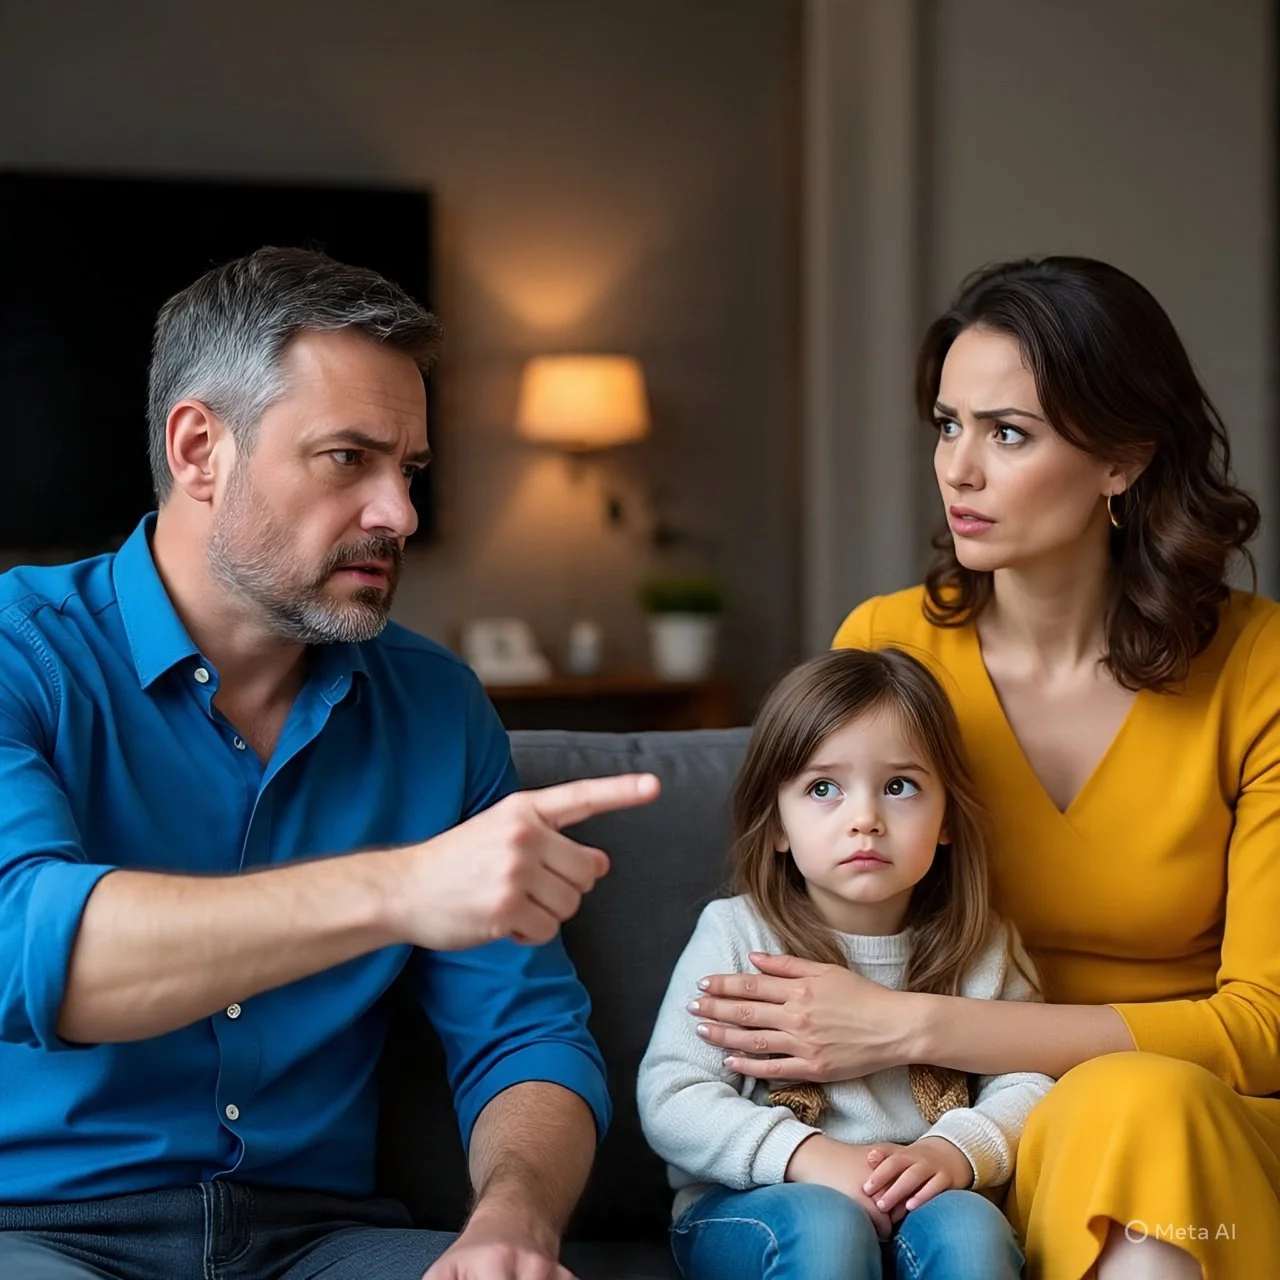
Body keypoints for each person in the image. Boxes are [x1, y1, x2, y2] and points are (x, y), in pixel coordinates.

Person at [0, 246, 661, 1280]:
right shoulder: (17, 655)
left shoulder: (436, 705)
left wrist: (513, 1222)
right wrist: (402, 887)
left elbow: (522, 1031)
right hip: (37, 1230)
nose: (397, 512)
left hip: (319, 1238)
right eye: (348, 457)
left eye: (410, 470)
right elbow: (46, 956)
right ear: (198, 448)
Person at [688, 256, 1280, 1280]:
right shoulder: (888, 646)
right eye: (946, 423)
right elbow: (804, 928)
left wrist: (909, 1021)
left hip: (1200, 1120)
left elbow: (1262, 1028)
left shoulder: (1257, 664)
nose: (956, 468)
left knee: (1140, 1097)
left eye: (1006, 432)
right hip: (967, 1135)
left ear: (1122, 461)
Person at [638, 647, 1052, 1279]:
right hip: (755, 1204)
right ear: (777, 823)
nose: (865, 819)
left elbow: (1030, 1080)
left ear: (945, 819)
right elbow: (673, 1096)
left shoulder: (980, 942)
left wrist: (955, 1150)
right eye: (823, 788)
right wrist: (810, 1156)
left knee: (973, 1231)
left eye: (899, 786)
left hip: (926, 1201)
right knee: (825, 1226)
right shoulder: (737, 933)